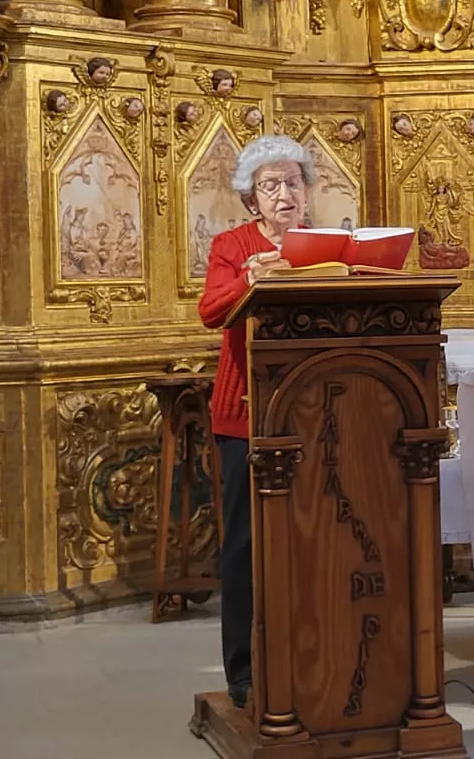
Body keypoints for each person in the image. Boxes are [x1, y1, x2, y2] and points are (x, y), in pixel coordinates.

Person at [196, 134, 317, 710]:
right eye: (271, 186)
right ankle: (243, 671)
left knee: (313, 535)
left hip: (314, 411)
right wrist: (251, 276)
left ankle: (313, 652)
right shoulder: (233, 245)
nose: (284, 193)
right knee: (246, 545)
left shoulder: (322, 246)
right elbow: (210, 311)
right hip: (246, 412)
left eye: (293, 182)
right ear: (252, 199)